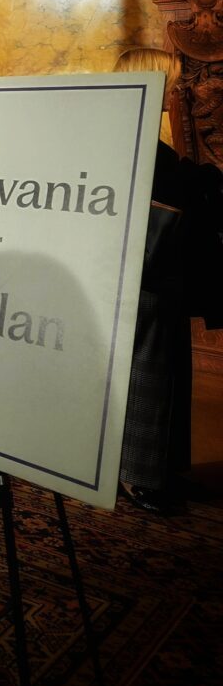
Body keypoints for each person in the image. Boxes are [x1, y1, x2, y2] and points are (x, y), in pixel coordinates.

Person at [113, 48, 223, 513]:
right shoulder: (130, 141)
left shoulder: (128, 136)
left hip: (162, 275)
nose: (177, 89)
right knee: (148, 377)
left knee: (173, 376)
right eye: (171, 79)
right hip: (146, 279)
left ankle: (165, 471)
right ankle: (139, 479)